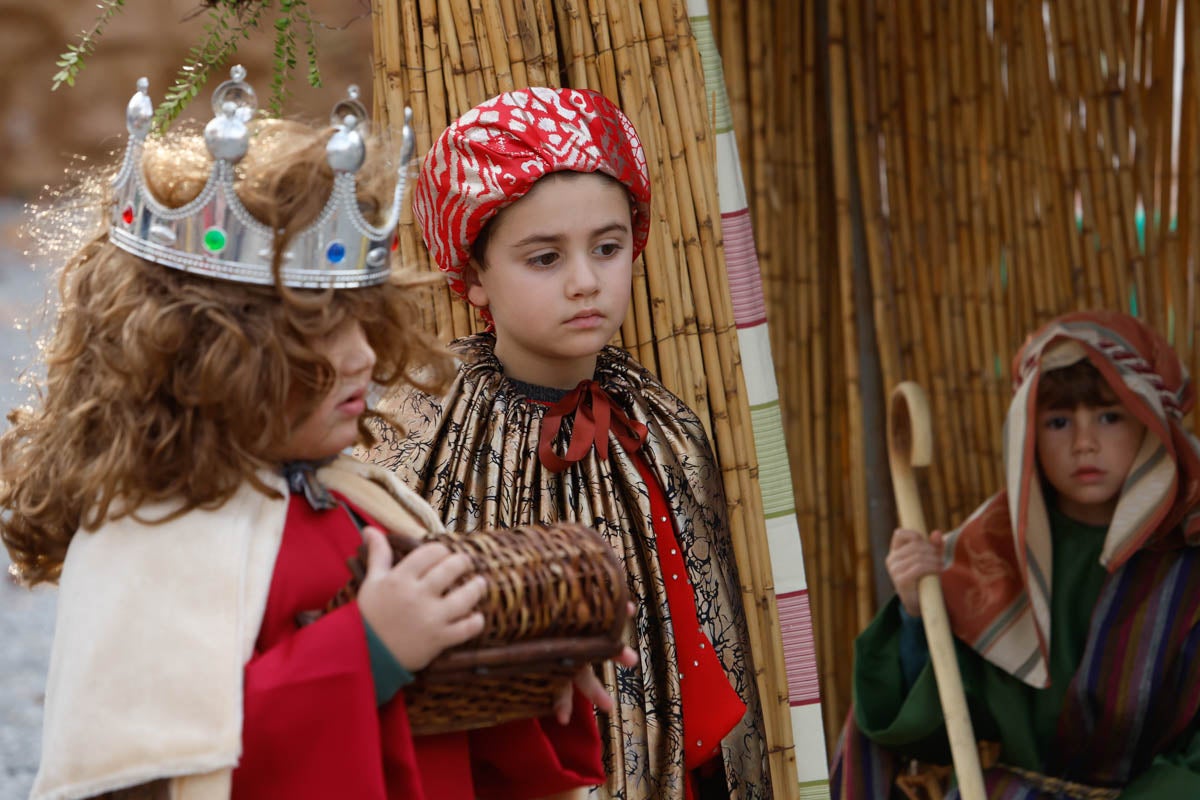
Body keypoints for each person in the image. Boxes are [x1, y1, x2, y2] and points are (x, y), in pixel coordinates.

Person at [0, 69, 624, 800]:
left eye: (363, 322)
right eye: (321, 336)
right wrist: (369, 651)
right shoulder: (153, 539)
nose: (363, 356)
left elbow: (440, 734)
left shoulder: (361, 498)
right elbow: (164, 775)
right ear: (213, 357)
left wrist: (519, 667)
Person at [361, 86, 770, 800]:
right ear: (475, 275)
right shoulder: (421, 429)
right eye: (544, 259)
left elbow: (710, 629)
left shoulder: (664, 426)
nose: (587, 282)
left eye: (608, 248)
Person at [831, 310, 1200, 798]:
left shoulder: (1188, 558)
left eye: (1110, 416)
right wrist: (918, 616)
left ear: (1151, 424)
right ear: (1027, 431)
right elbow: (936, 726)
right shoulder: (990, 553)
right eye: (1058, 421)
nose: (1084, 443)